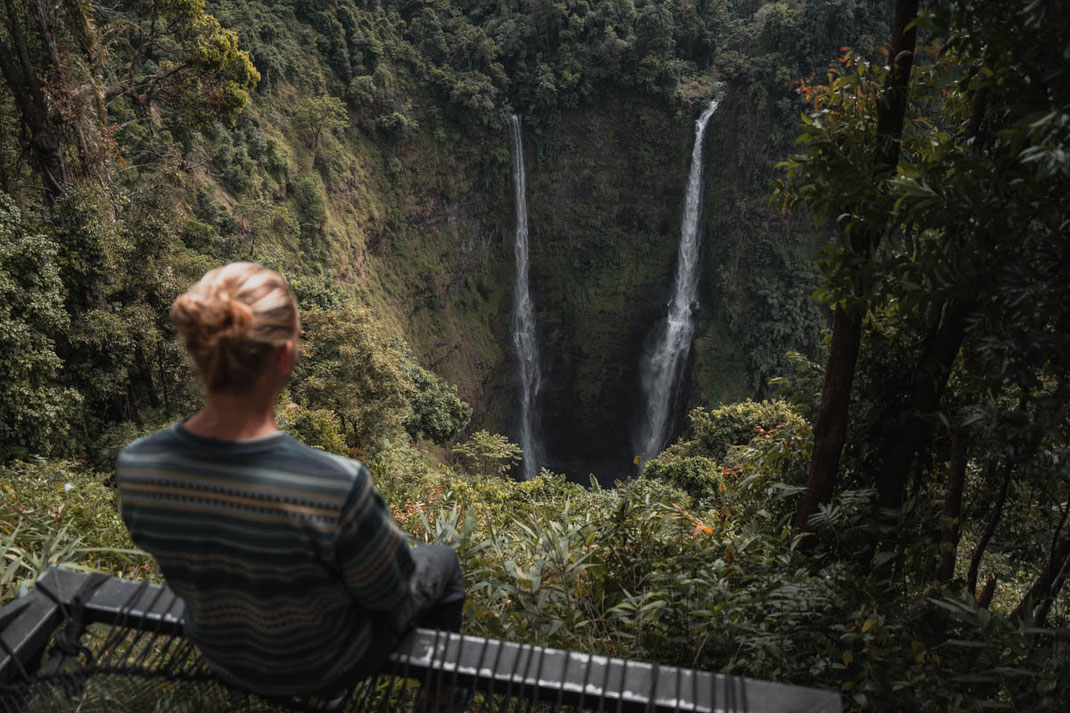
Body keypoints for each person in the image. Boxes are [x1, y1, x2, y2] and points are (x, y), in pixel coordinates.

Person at [116, 262, 465, 700]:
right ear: (285, 356)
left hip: (222, 654)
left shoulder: (138, 464)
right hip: (327, 665)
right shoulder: (336, 485)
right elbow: (390, 598)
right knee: (444, 563)